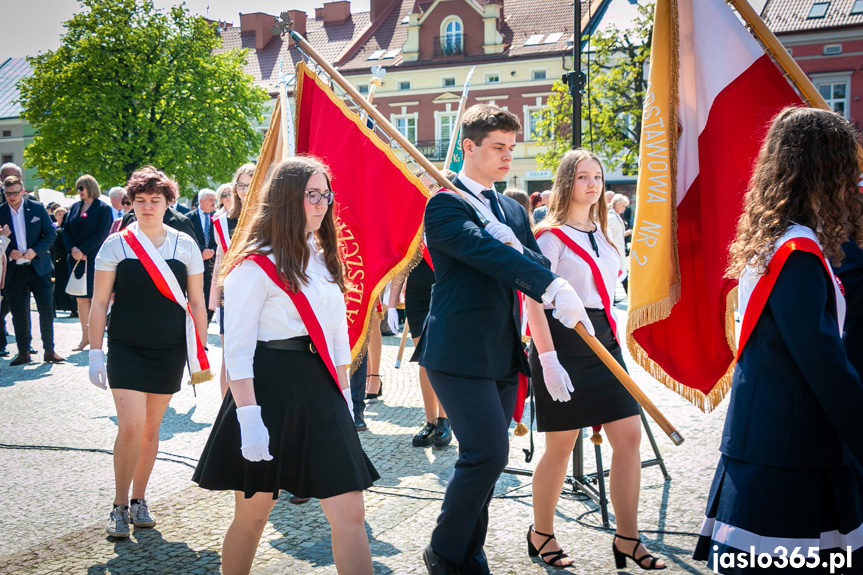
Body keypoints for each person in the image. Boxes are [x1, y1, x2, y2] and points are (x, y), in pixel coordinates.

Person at [417, 104, 591, 575]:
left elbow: (536, 266)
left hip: (500, 350)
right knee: (487, 452)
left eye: (511, 149)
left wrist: (560, 290)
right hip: (455, 351)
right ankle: (445, 552)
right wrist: (538, 275)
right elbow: (483, 253)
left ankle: (469, 554)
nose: (506, 157)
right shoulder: (446, 203)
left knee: (489, 460)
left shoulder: (513, 208)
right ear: (468, 147)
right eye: (497, 147)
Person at [693, 107, 863, 573]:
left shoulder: (781, 239)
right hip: (789, 458)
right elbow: (825, 364)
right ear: (823, 173)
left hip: (774, 441)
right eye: (847, 169)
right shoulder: (797, 253)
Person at [192, 156, 378, 575]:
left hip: (322, 388)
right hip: (269, 393)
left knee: (350, 512)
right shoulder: (253, 265)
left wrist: (346, 397)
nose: (321, 203)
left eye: (325, 194)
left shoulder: (324, 256)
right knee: (254, 515)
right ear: (285, 198)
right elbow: (237, 350)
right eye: (311, 194)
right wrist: (250, 418)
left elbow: (335, 337)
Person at [525, 150, 665, 569]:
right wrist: (548, 359)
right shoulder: (547, 237)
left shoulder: (608, 231)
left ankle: (628, 538)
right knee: (561, 446)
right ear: (566, 181)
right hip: (562, 343)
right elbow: (532, 301)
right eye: (582, 176)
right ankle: (541, 532)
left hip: (604, 338)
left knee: (629, 437)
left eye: (598, 177)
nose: (592, 184)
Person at [88, 165, 208, 539]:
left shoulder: (184, 245)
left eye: (155, 201)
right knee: (130, 426)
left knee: (151, 429)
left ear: (168, 203)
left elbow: (198, 303)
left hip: (169, 349)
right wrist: (94, 352)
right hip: (125, 346)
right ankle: (119, 505)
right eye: (140, 201)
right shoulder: (116, 245)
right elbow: (99, 301)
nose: (147, 207)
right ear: (131, 203)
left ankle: (140, 499)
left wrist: (199, 353)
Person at [387, 171, 455, 448]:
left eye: (431, 186)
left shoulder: (450, 218)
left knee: (445, 360)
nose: (425, 192)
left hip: (447, 293)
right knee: (425, 361)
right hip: (417, 295)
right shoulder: (410, 222)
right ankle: (431, 422)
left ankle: (446, 419)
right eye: (421, 187)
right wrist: (392, 304)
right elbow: (399, 265)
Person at [0, 175, 64, 365]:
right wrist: (10, 251)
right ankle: (23, 352)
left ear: (23, 191)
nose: (11, 196)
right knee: (19, 313)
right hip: (14, 270)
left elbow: (50, 233)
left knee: (46, 310)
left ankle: (49, 351)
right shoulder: (1, 211)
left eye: (15, 193)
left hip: (39, 267)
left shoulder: (36, 208)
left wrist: (35, 251)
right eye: (8, 193)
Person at [210, 163, 255, 397]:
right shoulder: (222, 221)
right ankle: (226, 412)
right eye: (241, 185)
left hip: (260, 293)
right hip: (232, 293)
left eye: (250, 185)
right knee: (230, 355)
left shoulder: (267, 218)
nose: (245, 190)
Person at [64, 175, 113, 351]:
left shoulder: (103, 208)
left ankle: (96, 338)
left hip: (94, 259)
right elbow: (66, 230)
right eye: (77, 188)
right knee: (81, 299)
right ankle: (85, 338)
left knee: (95, 299)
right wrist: (73, 249)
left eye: (81, 188)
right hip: (76, 259)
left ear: (90, 187)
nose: (79, 192)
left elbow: (102, 234)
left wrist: (83, 250)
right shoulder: (75, 207)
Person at [188, 189, 218, 323]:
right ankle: (195, 324)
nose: (214, 202)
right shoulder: (189, 218)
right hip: (195, 263)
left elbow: (223, 238)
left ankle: (205, 323)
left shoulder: (218, 217)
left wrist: (212, 251)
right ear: (201, 201)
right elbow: (188, 238)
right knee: (195, 295)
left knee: (211, 297)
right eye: (210, 199)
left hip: (212, 263)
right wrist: (201, 251)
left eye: (214, 200)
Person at [51, 207, 77, 315]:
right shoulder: (58, 231)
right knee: (61, 287)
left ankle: (74, 309)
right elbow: (57, 248)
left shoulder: (73, 232)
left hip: (72, 262)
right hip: (61, 263)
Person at [607, 193, 631, 294]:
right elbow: (607, 236)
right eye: (623, 206)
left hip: (617, 251)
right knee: (620, 275)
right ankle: (630, 297)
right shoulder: (612, 217)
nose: (624, 208)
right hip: (615, 252)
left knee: (619, 275)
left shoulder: (615, 216)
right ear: (617, 204)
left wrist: (625, 233)